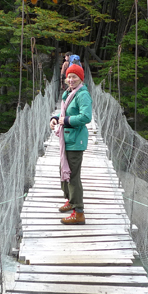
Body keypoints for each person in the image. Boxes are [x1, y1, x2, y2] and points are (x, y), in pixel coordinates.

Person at [49, 63, 92, 225]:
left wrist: (65, 121)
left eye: (74, 76)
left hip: (75, 141)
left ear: (80, 78)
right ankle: (71, 201)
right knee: (64, 171)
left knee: (73, 177)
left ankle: (79, 212)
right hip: (67, 139)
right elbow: (66, 112)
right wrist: (55, 118)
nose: (71, 79)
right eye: (69, 76)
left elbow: (86, 117)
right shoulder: (70, 93)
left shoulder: (82, 95)